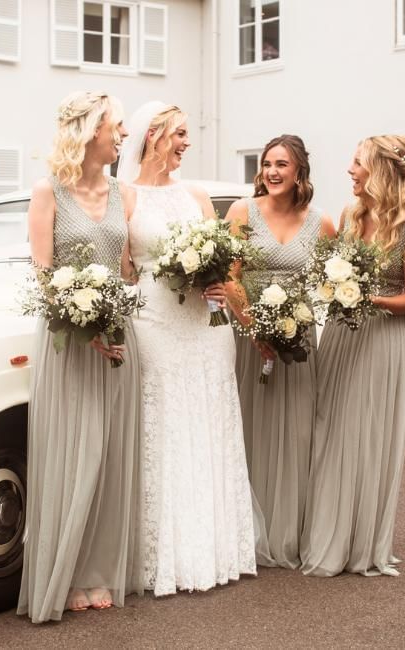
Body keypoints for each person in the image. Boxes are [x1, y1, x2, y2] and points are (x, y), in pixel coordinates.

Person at [117, 101, 257, 595]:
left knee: (208, 419)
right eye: (179, 133)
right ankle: (163, 554)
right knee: (165, 422)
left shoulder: (196, 195)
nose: (186, 142)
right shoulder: (125, 196)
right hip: (155, 321)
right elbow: (123, 271)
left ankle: (214, 546)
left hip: (206, 326)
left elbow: (222, 261)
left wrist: (217, 283)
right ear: (152, 135)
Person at [17, 91, 143, 622]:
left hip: (117, 336)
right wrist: (79, 322)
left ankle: (98, 571)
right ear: (92, 131)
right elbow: (44, 277)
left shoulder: (124, 194)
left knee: (111, 453)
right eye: (117, 125)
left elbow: (128, 269)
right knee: (72, 452)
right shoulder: (49, 191)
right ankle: (64, 572)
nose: (123, 134)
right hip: (67, 342)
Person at [300, 135, 405, 578]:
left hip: (382, 341)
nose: (349, 170)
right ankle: (327, 534)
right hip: (342, 335)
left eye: (357, 162)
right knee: (332, 429)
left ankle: (361, 542)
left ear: (379, 170)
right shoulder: (348, 216)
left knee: (368, 436)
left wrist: (368, 299)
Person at [225, 135, 335, 569]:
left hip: (298, 339)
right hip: (249, 335)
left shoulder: (321, 222)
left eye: (282, 164)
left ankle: (289, 528)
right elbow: (230, 275)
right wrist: (254, 323)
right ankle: (244, 530)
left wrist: (294, 320)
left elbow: (329, 282)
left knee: (297, 431)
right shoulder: (242, 212)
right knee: (249, 426)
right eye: (267, 163)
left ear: (299, 172)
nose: (272, 171)